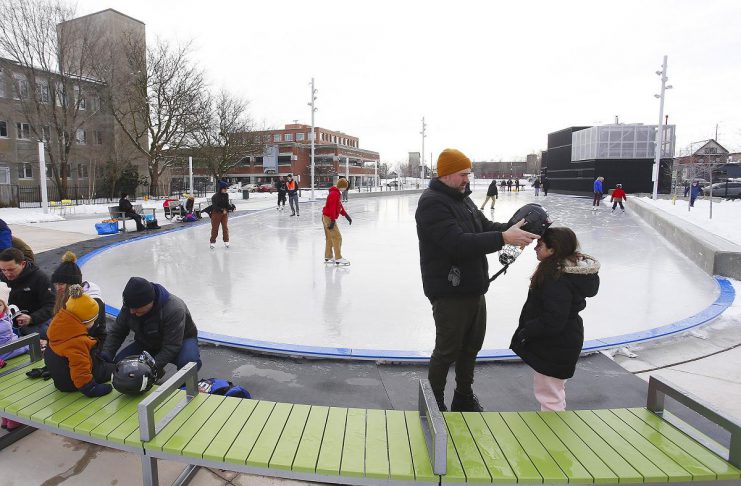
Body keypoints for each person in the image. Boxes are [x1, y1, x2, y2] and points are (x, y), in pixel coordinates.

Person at [415, 148, 540, 412]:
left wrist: (511, 229)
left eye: (468, 174)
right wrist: (504, 238)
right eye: (462, 174)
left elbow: (484, 227)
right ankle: (434, 402)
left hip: (473, 287)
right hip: (449, 290)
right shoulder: (432, 202)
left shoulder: (463, 199)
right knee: (447, 350)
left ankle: (463, 396)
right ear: (446, 174)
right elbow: (456, 244)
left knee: (471, 347)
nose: (467, 179)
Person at [509, 227, 600, 411]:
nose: (535, 248)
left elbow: (554, 319)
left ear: (553, 250)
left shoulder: (556, 278)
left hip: (555, 345)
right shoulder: (564, 272)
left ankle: (552, 433)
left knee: (550, 396)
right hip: (562, 342)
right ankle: (553, 427)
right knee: (554, 390)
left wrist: (528, 330)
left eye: (540, 245)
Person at [99, 277, 201, 377]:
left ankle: (184, 386)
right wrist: (106, 355)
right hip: (147, 342)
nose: (131, 312)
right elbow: (117, 332)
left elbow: (171, 346)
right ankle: (157, 373)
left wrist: (150, 368)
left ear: (150, 301)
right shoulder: (131, 305)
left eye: (136, 308)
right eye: (130, 307)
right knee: (121, 367)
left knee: (189, 364)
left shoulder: (174, 308)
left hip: (181, 341)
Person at [44, 284, 113, 398]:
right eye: (93, 320)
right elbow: (80, 370)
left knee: (102, 361)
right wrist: (91, 388)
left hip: (61, 379)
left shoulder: (59, 326)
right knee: (116, 369)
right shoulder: (77, 342)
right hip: (72, 383)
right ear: (85, 321)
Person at [51, 251, 107, 344]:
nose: (57, 288)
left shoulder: (92, 301)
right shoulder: (63, 295)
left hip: (93, 341)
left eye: (61, 284)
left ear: (71, 285)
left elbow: (88, 331)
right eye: (55, 284)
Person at [0, 247, 55, 340]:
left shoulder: (40, 278)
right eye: (3, 270)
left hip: (36, 321)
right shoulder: (2, 278)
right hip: (7, 321)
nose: (7, 274)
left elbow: (52, 305)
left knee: (43, 334)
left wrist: (31, 318)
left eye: (11, 270)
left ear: (23, 264)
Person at [0, 281, 28, 431]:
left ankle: (7, 419)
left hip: (12, 354)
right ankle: (12, 419)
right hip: (7, 357)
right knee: (9, 390)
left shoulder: (4, 317)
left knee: (8, 389)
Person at [322, 178, 352, 265]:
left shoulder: (336, 193)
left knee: (330, 237)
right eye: (345, 187)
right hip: (329, 217)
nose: (346, 189)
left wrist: (346, 215)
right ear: (342, 187)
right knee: (337, 237)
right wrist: (332, 221)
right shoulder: (334, 194)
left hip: (326, 216)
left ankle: (328, 255)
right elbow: (332, 208)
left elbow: (339, 206)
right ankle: (338, 257)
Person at [209, 180, 235, 249]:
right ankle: (212, 242)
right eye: (225, 188)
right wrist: (221, 210)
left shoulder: (226, 195)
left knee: (225, 228)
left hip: (224, 214)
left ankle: (226, 241)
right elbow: (214, 206)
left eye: (226, 188)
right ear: (221, 188)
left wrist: (232, 207)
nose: (226, 190)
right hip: (216, 214)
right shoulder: (215, 196)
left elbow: (227, 205)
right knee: (215, 228)